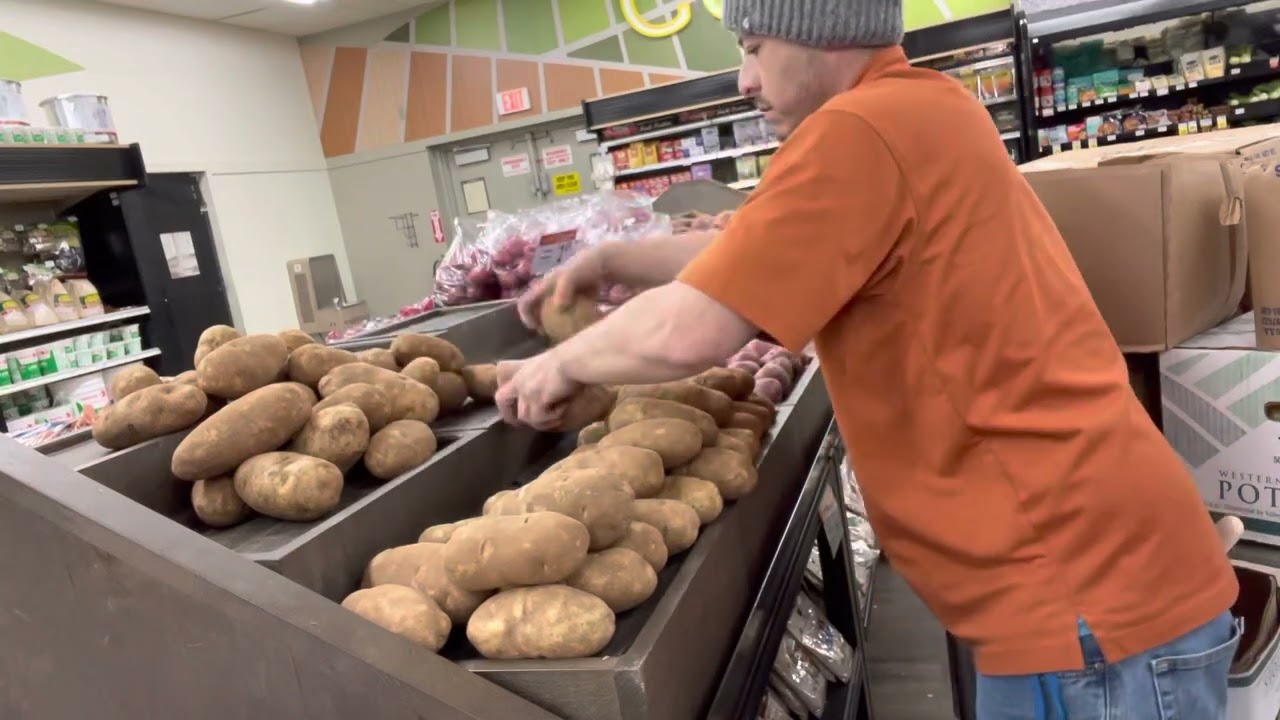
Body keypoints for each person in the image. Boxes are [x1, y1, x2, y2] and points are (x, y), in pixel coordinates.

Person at [495, 0, 1240, 717]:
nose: (744, 79)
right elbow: (747, 251)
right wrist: (615, 258)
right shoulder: (918, 108)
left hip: (1083, 603)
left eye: (754, 49)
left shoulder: (860, 129)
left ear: (822, 32)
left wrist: (557, 366)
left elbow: (688, 334)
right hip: (1094, 582)